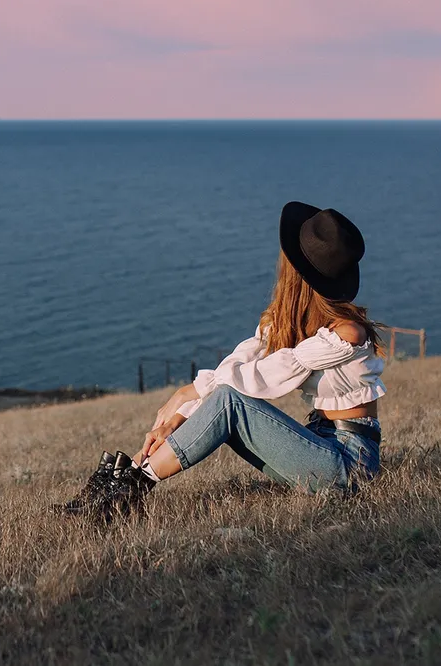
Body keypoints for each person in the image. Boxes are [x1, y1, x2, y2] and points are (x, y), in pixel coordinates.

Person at [55, 202, 387, 524]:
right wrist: (177, 418)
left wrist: (189, 391)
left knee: (230, 401)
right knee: (224, 397)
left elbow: (263, 378)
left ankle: (130, 488)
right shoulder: (289, 322)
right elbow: (240, 360)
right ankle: (126, 482)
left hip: (349, 463)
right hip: (318, 443)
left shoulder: (346, 335)